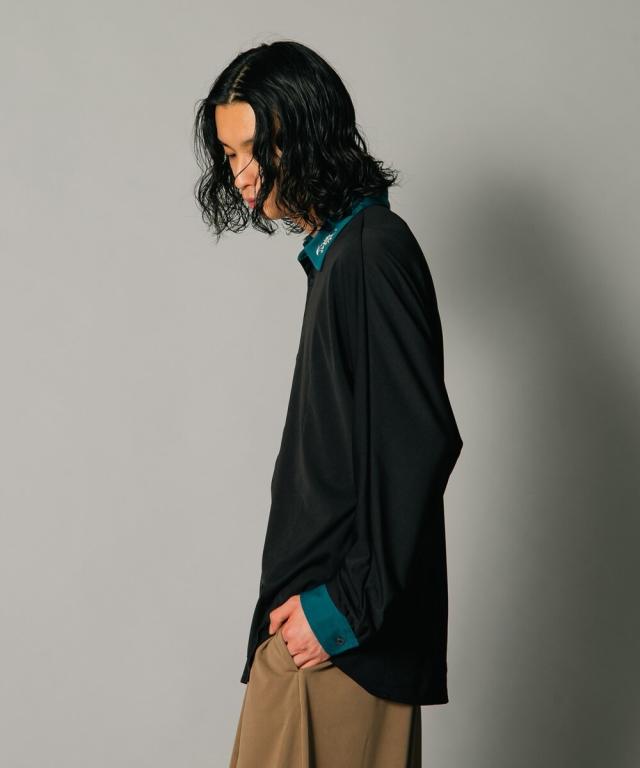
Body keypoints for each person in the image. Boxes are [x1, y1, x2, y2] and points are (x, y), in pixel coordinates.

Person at [193, 39, 463, 768]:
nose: (241, 174)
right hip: (325, 645)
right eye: (229, 154)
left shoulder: (370, 254)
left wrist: (344, 609)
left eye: (253, 150)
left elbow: (418, 441)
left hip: (339, 654)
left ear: (305, 134)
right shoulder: (343, 253)